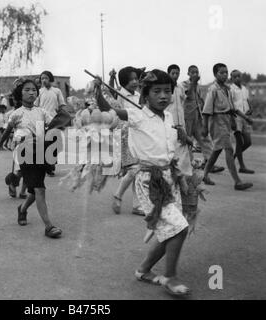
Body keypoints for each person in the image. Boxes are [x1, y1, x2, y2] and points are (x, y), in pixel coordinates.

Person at [94, 70, 192, 297]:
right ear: (145, 95)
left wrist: (182, 135)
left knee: (169, 230)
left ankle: (143, 270)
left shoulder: (168, 117)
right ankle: (169, 277)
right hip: (149, 182)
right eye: (157, 91)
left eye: (167, 91)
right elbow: (108, 110)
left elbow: (166, 142)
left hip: (169, 179)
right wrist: (99, 90)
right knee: (179, 228)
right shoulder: (137, 115)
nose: (163, 96)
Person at [0, 79, 62, 239]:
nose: (31, 92)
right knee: (39, 189)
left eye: (33, 90)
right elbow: (7, 132)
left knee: (35, 189)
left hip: (40, 151)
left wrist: (61, 123)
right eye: (27, 90)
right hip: (24, 151)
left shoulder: (42, 112)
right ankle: (48, 226)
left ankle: (22, 209)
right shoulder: (16, 114)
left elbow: (54, 125)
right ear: (20, 93)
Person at [202, 64, 253, 190]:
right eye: (221, 73)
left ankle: (205, 175)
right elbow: (206, 111)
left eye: (226, 72)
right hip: (217, 121)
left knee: (217, 150)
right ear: (215, 74)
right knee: (229, 150)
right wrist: (204, 128)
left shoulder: (227, 89)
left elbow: (233, 108)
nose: (224, 75)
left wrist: (244, 118)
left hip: (226, 120)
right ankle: (237, 181)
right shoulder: (213, 89)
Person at [108, 67, 146, 216]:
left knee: (138, 172)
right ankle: (117, 196)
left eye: (137, 79)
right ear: (124, 82)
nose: (135, 81)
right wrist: (111, 78)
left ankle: (137, 205)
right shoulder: (120, 94)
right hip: (125, 135)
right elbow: (110, 93)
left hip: (138, 134)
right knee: (134, 169)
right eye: (132, 79)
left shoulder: (138, 95)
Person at [181, 66, 224, 173]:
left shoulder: (198, 86)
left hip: (197, 116)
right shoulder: (184, 84)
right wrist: (193, 83)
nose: (195, 74)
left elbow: (200, 99)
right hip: (187, 117)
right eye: (193, 72)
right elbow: (188, 95)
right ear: (188, 73)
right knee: (187, 141)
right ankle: (188, 164)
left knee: (204, 139)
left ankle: (210, 163)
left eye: (196, 72)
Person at [34, 70, 66, 176]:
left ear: (50, 79)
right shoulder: (39, 92)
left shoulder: (56, 91)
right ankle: (46, 167)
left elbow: (62, 106)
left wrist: (63, 119)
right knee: (42, 144)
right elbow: (35, 106)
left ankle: (51, 164)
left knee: (55, 144)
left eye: (46, 78)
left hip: (54, 122)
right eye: (42, 78)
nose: (44, 80)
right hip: (41, 121)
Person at [230, 70, 254, 174]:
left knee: (248, 142)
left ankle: (235, 155)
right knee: (239, 142)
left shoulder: (244, 88)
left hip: (245, 116)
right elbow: (233, 107)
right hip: (237, 117)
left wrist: (251, 108)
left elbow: (247, 100)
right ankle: (242, 166)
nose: (237, 78)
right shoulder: (231, 89)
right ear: (232, 78)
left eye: (239, 76)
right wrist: (245, 117)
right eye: (235, 77)